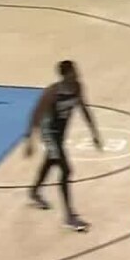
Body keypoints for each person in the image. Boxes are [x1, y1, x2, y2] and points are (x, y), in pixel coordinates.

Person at [25, 60, 103, 232]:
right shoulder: (53, 92)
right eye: (73, 71)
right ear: (65, 75)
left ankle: (34, 192)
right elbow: (36, 114)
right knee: (66, 170)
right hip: (49, 132)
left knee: (51, 161)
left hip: (60, 133)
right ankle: (69, 216)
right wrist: (30, 140)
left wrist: (94, 133)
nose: (77, 73)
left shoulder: (77, 87)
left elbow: (84, 109)